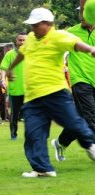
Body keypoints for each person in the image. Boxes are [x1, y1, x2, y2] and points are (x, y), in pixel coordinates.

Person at [6, 8, 95, 178]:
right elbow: (22, 54)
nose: (33, 28)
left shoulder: (58, 36)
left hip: (55, 92)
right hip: (32, 96)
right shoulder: (31, 38)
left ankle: (90, 143)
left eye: (36, 25)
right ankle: (42, 168)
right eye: (31, 25)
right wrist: (10, 68)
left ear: (47, 24)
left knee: (73, 122)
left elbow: (76, 44)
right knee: (33, 133)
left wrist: (90, 50)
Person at [51, 6, 95, 161]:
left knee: (81, 119)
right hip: (80, 80)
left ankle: (60, 142)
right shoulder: (70, 32)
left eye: (84, 11)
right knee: (90, 116)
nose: (81, 15)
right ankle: (93, 147)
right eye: (79, 11)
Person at [0, 33, 27, 140]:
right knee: (14, 114)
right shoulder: (10, 54)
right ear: (16, 41)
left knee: (31, 114)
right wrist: (2, 79)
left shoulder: (32, 53)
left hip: (30, 90)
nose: (22, 42)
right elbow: (3, 68)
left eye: (24, 40)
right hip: (15, 90)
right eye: (20, 40)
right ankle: (13, 134)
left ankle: (31, 135)